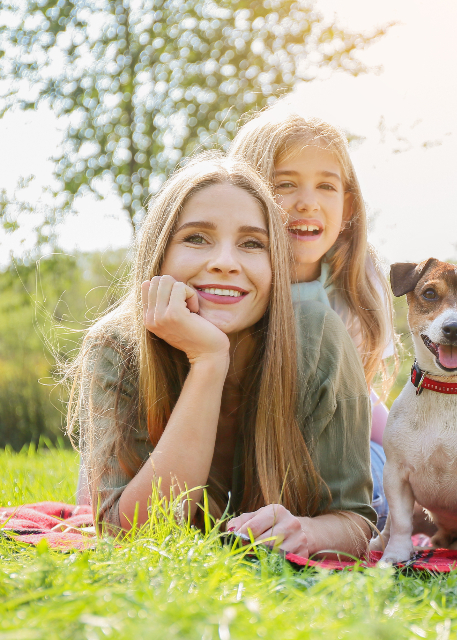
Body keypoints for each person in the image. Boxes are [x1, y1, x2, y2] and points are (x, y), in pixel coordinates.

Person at [68, 154, 376, 558]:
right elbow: (131, 535)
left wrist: (308, 533)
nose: (225, 263)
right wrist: (208, 361)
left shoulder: (319, 337)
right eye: (196, 238)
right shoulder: (117, 345)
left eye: (252, 244)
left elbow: (356, 522)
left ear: (275, 266)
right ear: (159, 254)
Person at [229, 108, 397, 532]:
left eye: (326, 185)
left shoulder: (357, 283)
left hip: (338, 451)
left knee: (386, 476)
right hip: (249, 447)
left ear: (347, 205)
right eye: (284, 185)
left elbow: (358, 400)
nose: (307, 201)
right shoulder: (230, 283)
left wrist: (406, 445)